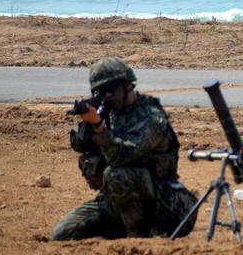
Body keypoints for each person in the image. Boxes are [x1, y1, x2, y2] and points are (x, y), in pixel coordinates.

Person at [52, 57, 197, 240]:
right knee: (63, 233)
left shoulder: (151, 117)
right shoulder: (107, 113)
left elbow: (122, 156)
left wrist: (98, 126)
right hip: (117, 201)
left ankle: (139, 236)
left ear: (128, 85)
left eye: (111, 90)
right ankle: (123, 227)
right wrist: (89, 123)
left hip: (163, 204)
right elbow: (80, 146)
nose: (107, 96)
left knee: (116, 173)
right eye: (101, 92)